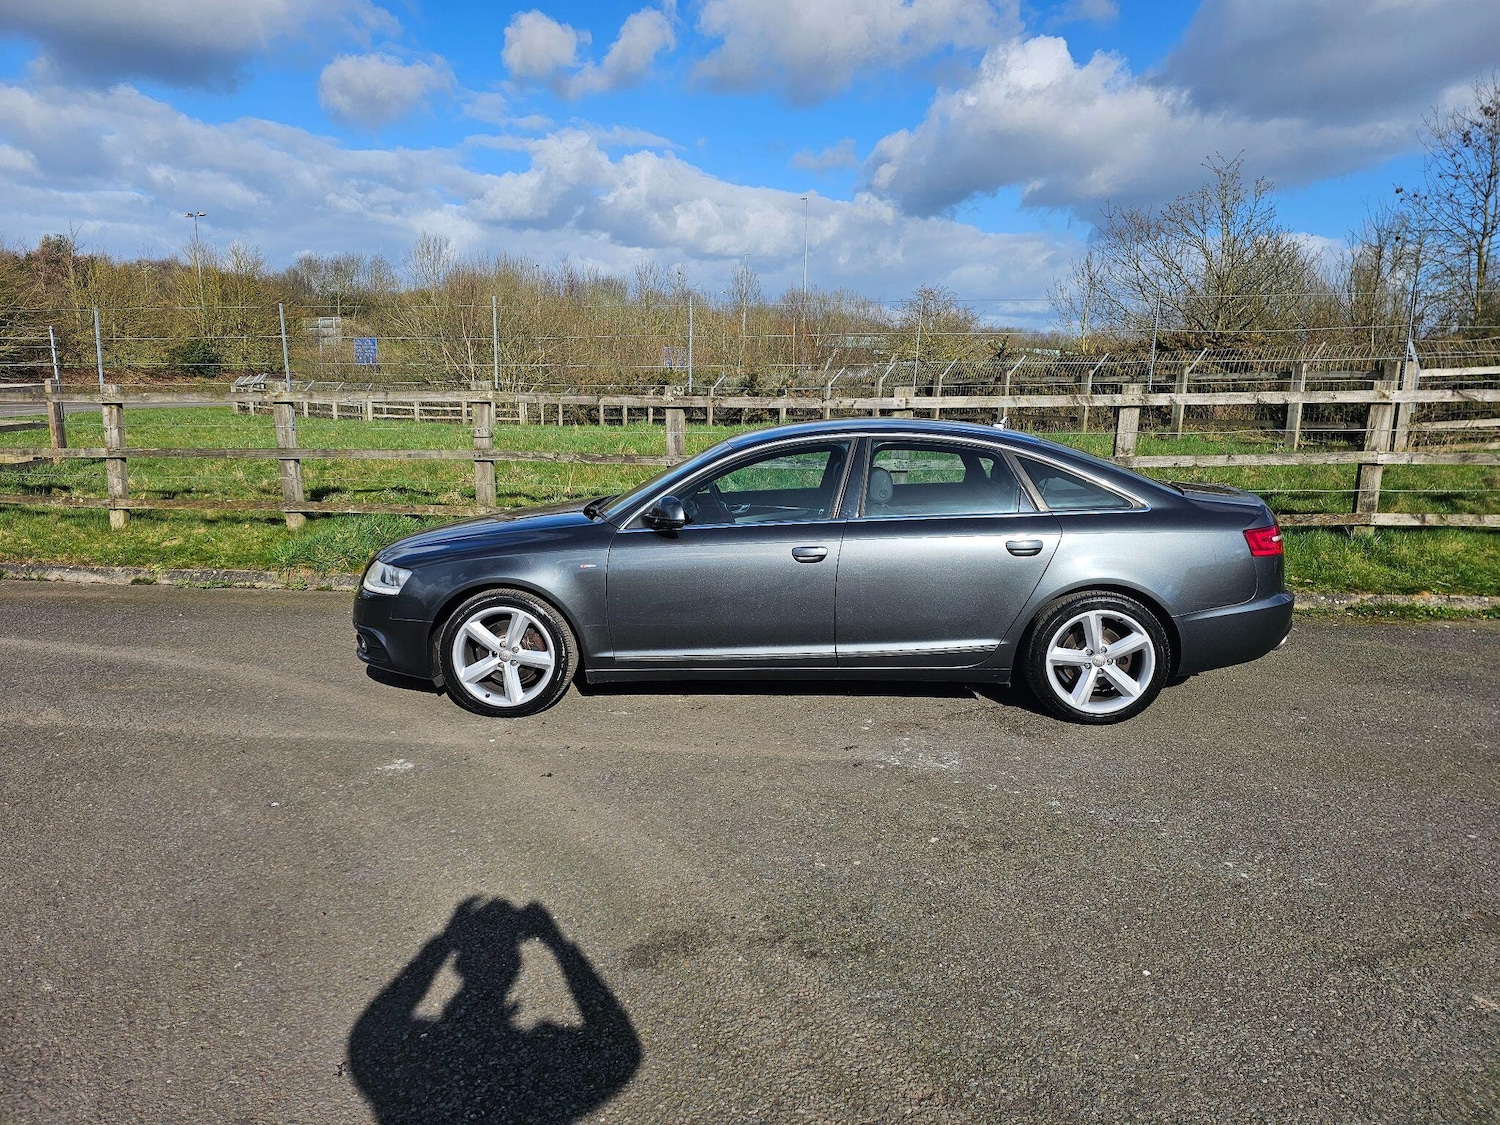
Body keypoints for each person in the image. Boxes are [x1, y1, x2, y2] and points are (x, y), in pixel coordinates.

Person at [349, 897, 641, 1124]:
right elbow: (622, 1046)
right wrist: (559, 946)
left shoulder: (391, 1078)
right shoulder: (537, 1067)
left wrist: (443, 943)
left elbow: (377, 1023)